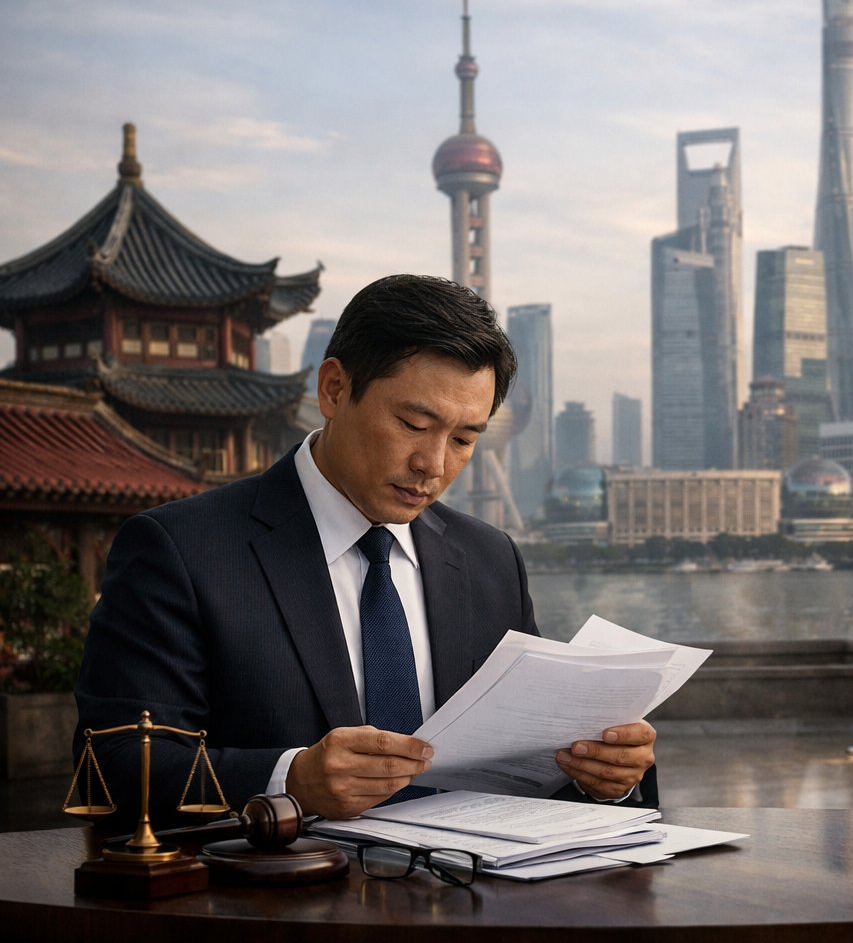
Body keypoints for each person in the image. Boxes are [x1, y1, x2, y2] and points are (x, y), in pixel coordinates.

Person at [74, 275, 656, 826]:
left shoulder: (490, 559)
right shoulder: (182, 549)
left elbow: (530, 766)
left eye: (463, 439)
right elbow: (113, 764)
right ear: (334, 389)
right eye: (411, 423)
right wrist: (288, 779)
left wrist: (603, 777)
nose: (433, 464)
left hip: (471, 914)